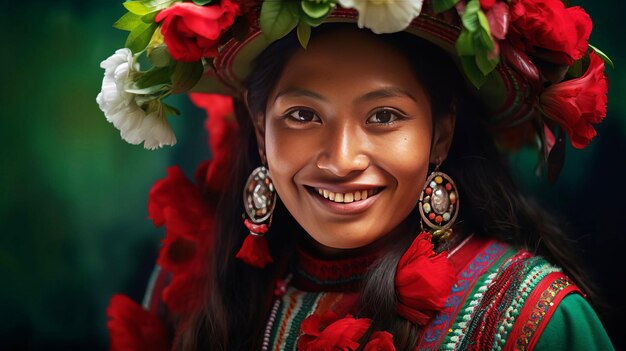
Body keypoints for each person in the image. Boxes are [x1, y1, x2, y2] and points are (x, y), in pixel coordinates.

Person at [98, 0, 615, 350]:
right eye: (301, 116)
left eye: (384, 116)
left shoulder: (531, 322)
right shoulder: (189, 293)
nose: (341, 160)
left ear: (441, 133)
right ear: (260, 131)